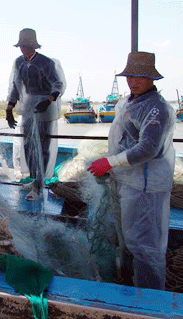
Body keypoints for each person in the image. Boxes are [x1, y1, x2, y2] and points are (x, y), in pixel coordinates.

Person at [87, 52, 174, 290]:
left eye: (140, 76)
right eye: (130, 75)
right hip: (127, 181)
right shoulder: (128, 101)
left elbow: (148, 148)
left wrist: (110, 162)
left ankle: (152, 301)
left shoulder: (157, 108)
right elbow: (123, 139)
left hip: (146, 186)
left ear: (152, 78)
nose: (133, 81)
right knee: (127, 240)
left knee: (146, 246)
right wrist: (111, 165)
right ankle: (127, 287)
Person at [6, 28, 66, 200]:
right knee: (28, 146)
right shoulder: (19, 63)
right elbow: (15, 86)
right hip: (28, 108)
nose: (23, 49)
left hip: (45, 109)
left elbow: (58, 84)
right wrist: (9, 108)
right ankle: (33, 180)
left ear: (33, 45)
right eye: (21, 46)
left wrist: (48, 100)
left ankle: (39, 186)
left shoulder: (46, 62)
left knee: (42, 147)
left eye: (26, 45)